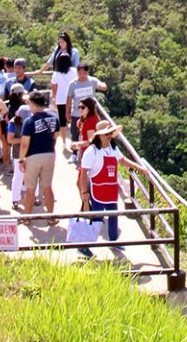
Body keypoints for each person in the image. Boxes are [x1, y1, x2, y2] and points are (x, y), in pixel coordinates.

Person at [79, 120, 146, 256]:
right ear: (99, 136)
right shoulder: (92, 151)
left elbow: (122, 160)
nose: (109, 136)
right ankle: (84, 246)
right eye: (106, 134)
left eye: (110, 133)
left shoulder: (113, 148)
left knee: (113, 216)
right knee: (97, 218)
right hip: (97, 189)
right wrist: (84, 192)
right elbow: (84, 173)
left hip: (110, 189)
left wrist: (138, 167)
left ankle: (113, 241)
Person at [18, 90, 59, 225]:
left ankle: (27, 218)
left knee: (30, 189)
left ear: (33, 104)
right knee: (47, 187)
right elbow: (55, 136)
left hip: (33, 156)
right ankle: (51, 217)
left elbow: (25, 144)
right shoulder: (54, 118)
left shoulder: (29, 121)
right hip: (49, 154)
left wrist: (21, 159)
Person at [65, 63, 106, 162]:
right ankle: (74, 154)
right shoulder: (73, 84)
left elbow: (102, 86)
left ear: (87, 72)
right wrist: (67, 113)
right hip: (77, 112)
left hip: (90, 114)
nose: (82, 75)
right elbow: (69, 99)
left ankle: (91, 154)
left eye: (84, 73)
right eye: (80, 73)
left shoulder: (92, 81)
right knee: (75, 134)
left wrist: (102, 86)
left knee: (90, 135)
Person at [6, 92, 32, 210]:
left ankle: (35, 197)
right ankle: (15, 199)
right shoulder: (12, 124)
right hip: (17, 154)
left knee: (33, 176)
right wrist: (24, 139)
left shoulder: (31, 121)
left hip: (31, 153)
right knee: (18, 177)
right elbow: (10, 140)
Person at [50, 53, 77, 146]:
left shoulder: (56, 74)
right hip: (72, 98)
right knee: (74, 119)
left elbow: (54, 87)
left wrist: (54, 98)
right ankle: (74, 139)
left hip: (61, 99)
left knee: (62, 121)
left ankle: (64, 142)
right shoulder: (74, 71)